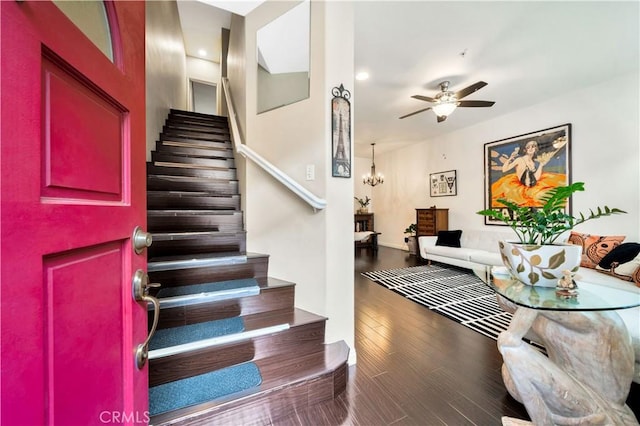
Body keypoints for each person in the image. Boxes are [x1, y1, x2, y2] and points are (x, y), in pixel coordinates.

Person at [490, 137, 567, 207]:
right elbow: (504, 169)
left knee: (556, 189)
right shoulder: (520, 160)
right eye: (528, 147)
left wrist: (541, 165)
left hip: (532, 185)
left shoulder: (533, 162)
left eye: (533, 146)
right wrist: (510, 159)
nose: (530, 149)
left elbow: (536, 178)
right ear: (525, 149)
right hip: (519, 186)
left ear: (535, 148)